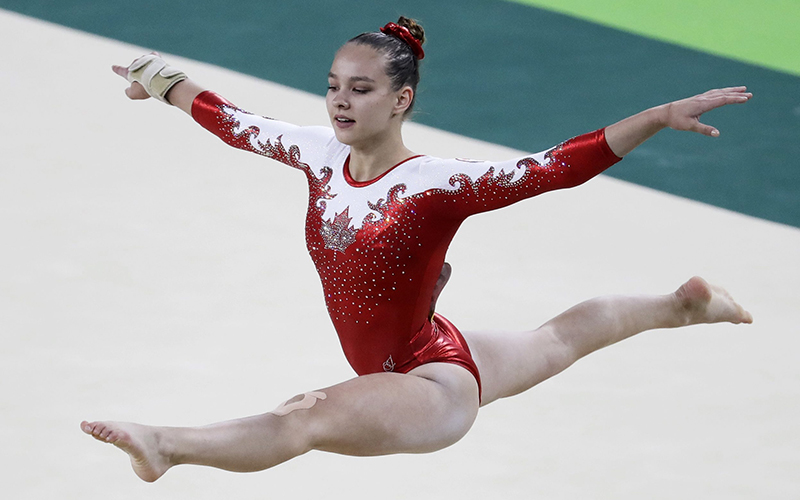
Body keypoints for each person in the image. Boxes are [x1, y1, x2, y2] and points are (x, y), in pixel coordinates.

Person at [81, 17, 753, 483]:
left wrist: (657, 118)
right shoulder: (318, 153)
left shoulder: (437, 184)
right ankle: (683, 306)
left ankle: (166, 446)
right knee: (560, 338)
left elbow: (553, 168)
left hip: (430, 385)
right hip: (440, 341)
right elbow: (232, 121)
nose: (340, 102)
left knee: (301, 420)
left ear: (402, 99)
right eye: (334, 85)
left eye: (362, 89)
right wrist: (158, 76)